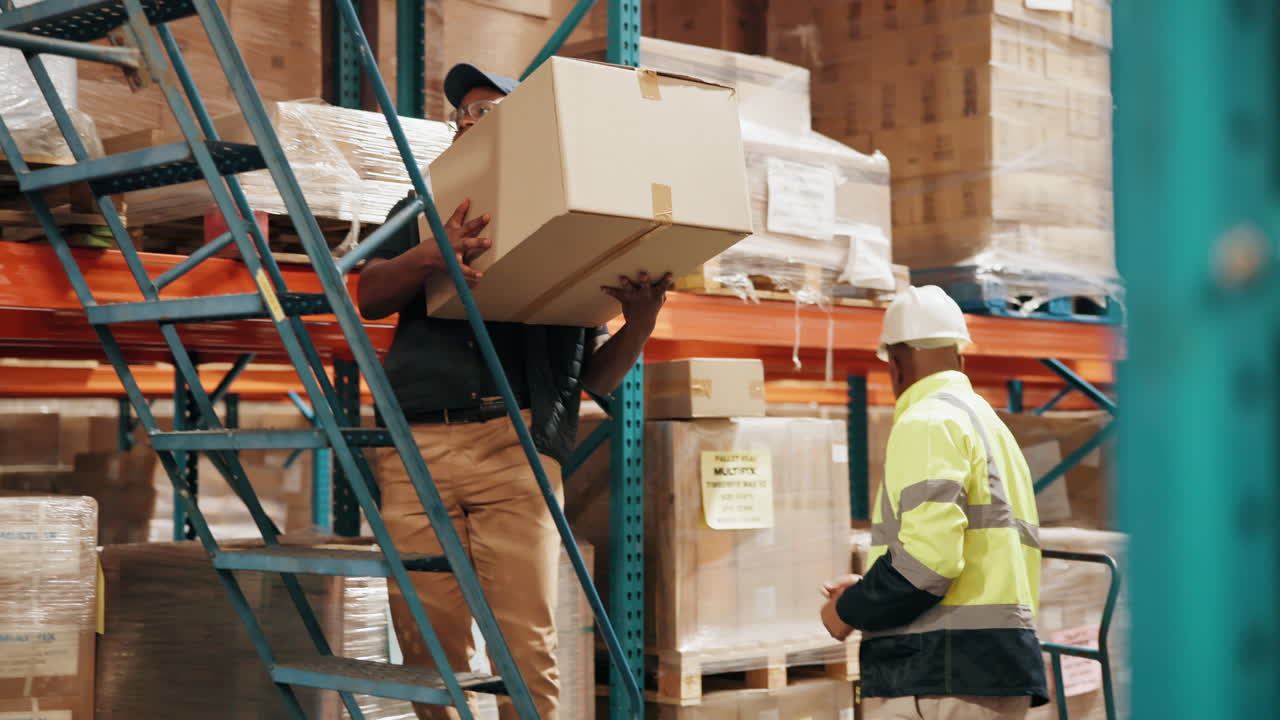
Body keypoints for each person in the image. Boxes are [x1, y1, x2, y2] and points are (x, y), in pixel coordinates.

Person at [357, 62, 673, 720]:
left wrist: (640, 322)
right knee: (428, 643)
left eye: (495, 113)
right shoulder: (421, 206)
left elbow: (593, 380)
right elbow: (370, 294)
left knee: (526, 647)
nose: (477, 124)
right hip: (417, 447)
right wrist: (430, 254)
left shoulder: (569, 223)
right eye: (468, 115)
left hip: (517, 448)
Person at [819, 286, 1049, 720]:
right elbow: (962, 555)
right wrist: (870, 588)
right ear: (959, 359)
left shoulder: (926, 421)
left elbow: (929, 564)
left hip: (941, 673)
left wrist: (846, 611)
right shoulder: (990, 427)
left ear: (898, 365)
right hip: (994, 668)